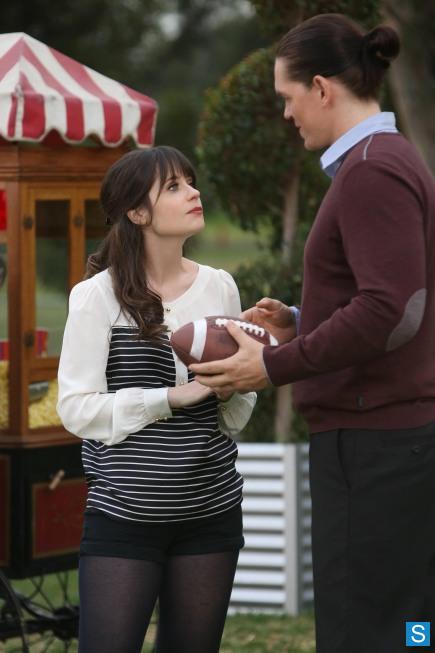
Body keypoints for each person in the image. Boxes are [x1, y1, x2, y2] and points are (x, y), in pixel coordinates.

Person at [190, 13, 435, 653]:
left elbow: (394, 310)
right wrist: (300, 322)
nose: (286, 114)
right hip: (387, 444)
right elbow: (394, 301)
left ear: (321, 88)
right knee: (408, 627)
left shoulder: (372, 169)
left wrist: (274, 365)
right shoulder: (383, 159)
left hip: (375, 448)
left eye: (288, 97)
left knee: (374, 633)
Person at [57, 145, 256, 653]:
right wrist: (170, 398)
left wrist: (234, 384)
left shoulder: (220, 286)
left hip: (210, 511)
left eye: (190, 181)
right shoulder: (96, 296)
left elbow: (233, 417)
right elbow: (75, 408)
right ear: (137, 213)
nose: (193, 192)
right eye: (173, 186)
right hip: (123, 515)